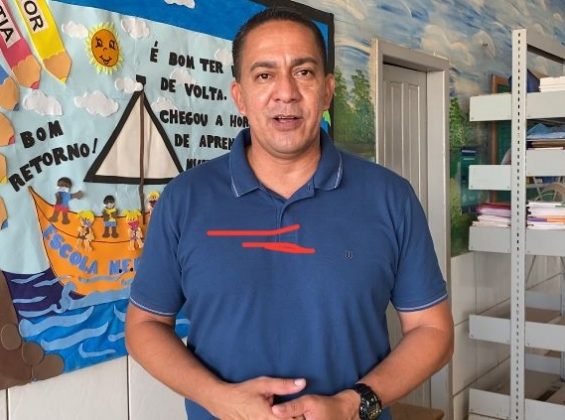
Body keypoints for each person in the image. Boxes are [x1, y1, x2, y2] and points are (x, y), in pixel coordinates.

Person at [125, 7, 453, 420]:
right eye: (264, 75)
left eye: (304, 72)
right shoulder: (183, 199)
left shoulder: (390, 197)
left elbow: (432, 330)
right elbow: (144, 326)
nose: (286, 92)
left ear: (327, 91)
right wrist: (218, 398)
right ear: (240, 96)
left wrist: (353, 404)